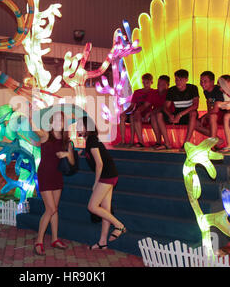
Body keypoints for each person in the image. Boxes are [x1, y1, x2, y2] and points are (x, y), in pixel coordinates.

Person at [77, 116, 126, 250]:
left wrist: (96, 182)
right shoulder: (90, 141)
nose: (77, 126)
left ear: (88, 128)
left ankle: (119, 225)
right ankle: (102, 242)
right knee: (105, 209)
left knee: (92, 207)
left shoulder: (92, 140)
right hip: (110, 175)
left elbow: (99, 163)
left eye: (80, 124)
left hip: (106, 176)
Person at [30, 110, 75, 256]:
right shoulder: (45, 136)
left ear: (63, 123)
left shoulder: (66, 141)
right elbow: (35, 128)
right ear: (50, 122)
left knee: (55, 208)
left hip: (57, 176)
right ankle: (39, 241)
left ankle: (55, 239)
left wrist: (67, 154)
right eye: (54, 119)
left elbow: (73, 162)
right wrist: (31, 115)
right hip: (44, 175)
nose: (57, 122)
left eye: (60, 120)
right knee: (50, 209)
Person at [156, 69, 199, 151]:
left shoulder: (193, 88)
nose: (178, 82)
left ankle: (186, 144)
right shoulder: (172, 90)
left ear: (186, 79)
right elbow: (165, 106)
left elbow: (195, 105)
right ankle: (167, 143)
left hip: (188, 114)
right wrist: (170, 115)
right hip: (177, 113)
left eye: (181, 80)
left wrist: (180, 115)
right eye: (176, 80)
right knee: (159, 114)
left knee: (193, 113)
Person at [116, 73, 154, 148]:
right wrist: (124, 112)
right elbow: (132, 106)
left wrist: (139, 112)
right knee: (123, 116)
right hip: (135, 112)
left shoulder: (153, 92)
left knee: (133, 117)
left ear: (151, 82)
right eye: (144, 82)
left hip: (145, 113)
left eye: (147, 82)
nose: (145, 84)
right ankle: (123, 141)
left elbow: (148, 105)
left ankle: (134, 141)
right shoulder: (137, 92)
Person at [195, 71, 225, 148]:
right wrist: (205, 116)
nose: (202, 83)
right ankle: (218, 140)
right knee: (195, 123)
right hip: (213, 113)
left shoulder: (218, 90)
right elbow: (209, 103)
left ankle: (211, 144)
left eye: (205, 81)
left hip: (223, 114)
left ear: (212, 82)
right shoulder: (206, 91)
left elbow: (216, 110)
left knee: (212, 116)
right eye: (201, 81)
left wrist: (205, 116)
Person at [144, 75, 170, 150]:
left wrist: (150, 113)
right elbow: (146, 104)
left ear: (167, 85)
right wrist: (138, 111)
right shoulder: (154, 92)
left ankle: (167, 143)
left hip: (168, 114)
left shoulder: (169, 92)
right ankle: (158, 142)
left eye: (162, 84)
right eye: (158, 84)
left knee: (157, 115)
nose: (159, 86)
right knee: (154, 116)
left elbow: (164, 107)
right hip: (155, 115)